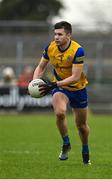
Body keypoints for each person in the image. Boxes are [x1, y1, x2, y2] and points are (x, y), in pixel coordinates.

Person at [33, 21, 91, 165]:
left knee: (82, 126)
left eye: (60, 34)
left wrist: (54, 84)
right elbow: (40, 67)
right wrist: (33, 83)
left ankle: (85, 150)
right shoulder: (50, 48)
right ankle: (66, 144)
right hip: (61, 88)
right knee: (60, 113)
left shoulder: (78, 50)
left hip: (78, 89)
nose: (56, 37)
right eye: (55, 34)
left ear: (68, 35)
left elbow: (75, 77)